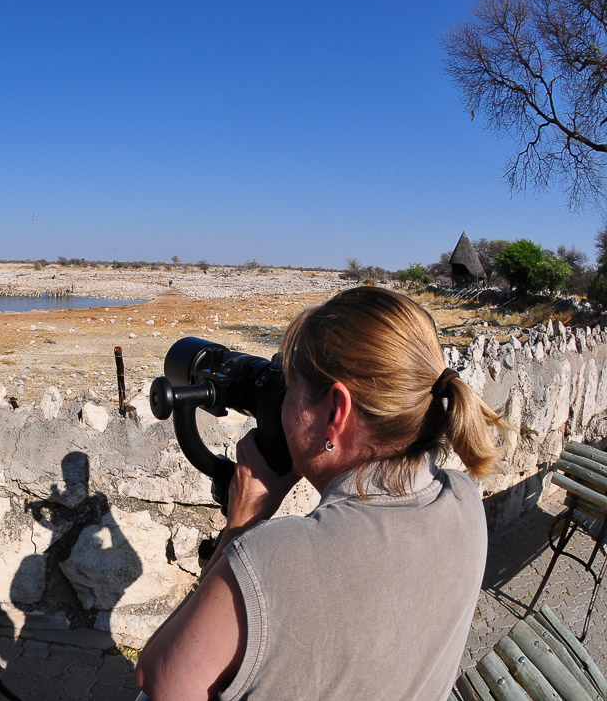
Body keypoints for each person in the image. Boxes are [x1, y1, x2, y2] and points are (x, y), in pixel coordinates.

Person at [135, 286, 504, 701]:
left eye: (289, 386)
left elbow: (158, 681)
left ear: (334, 413)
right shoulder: (464, 499)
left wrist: (241, 527)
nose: (279, 404)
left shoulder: (269, 559)